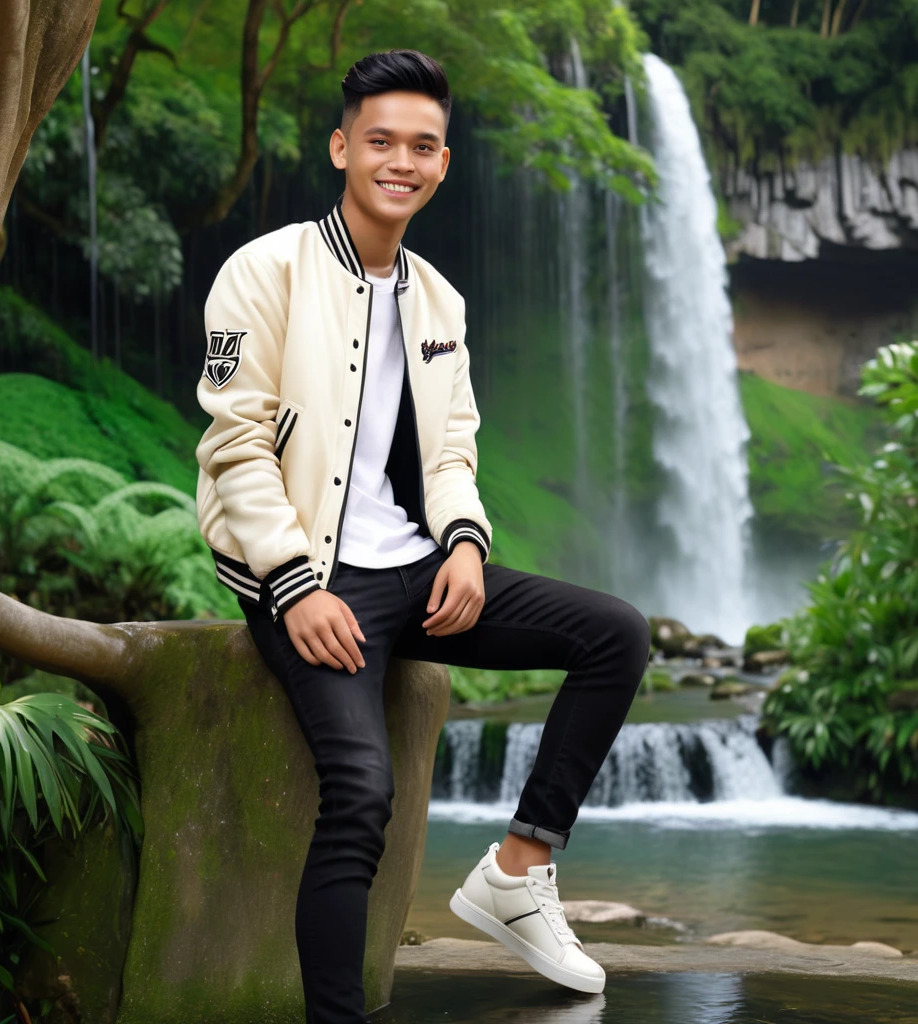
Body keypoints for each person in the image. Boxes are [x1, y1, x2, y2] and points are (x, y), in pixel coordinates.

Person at [194, 47, 652, 1024]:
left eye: (422, 146)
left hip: (414, 567)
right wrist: (291, 585)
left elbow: (451, 450)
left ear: (442, 162)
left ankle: (517, 870)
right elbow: (235, 448)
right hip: (308, 576)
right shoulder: (258, 273)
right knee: (360, 789)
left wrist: (466, 546)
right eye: (380, 141)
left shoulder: (440, 299)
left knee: (614, 632)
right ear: (341, 148)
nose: (400, 161)